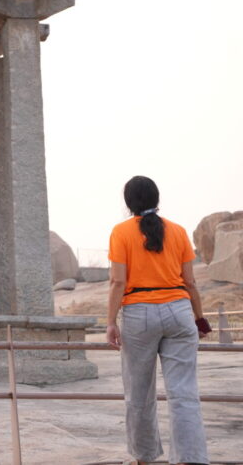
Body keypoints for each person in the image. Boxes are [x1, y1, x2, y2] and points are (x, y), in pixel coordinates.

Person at [106, 176, 210, 465]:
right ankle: (191, 459)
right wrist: (199, 318)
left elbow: (117, 281)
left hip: (139, 313)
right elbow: (190, 282)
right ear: (156, 199)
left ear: (128, 203)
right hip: (178, 310)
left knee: (139, 393)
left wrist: (111, 321)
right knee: (184, 393)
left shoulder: (121, 232)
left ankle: (144, 458)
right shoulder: (177, 231)